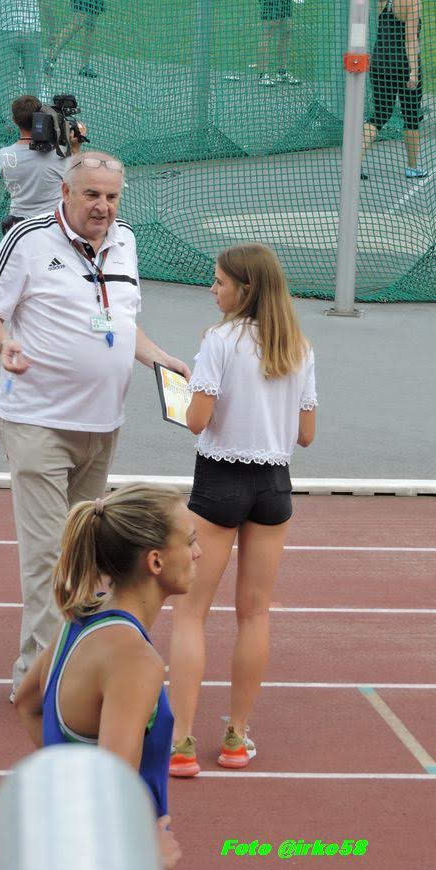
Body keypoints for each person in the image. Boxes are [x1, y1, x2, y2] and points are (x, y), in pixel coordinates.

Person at [0, 150, 191, 698]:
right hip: (37, 421)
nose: (103, 206)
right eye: (92, 194)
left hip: (102, 426)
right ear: (66, 193)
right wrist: (5, 344)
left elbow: (122, 320)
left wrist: (160, 359)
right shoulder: (26, 240)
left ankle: (71, 667)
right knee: (49, 556)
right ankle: (41, 685)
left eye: (112, 196)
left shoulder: (126, 241)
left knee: (85, 556)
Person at [167, 242, 317, 776]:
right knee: (254, 613)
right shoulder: (298, 345)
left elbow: (197, 419)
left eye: (220, 282)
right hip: (274, 484)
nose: (213, 289)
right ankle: (236, 737)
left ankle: (182, 743)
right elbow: (306, 434)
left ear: (245, 289)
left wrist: (186, 394)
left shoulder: (220, 340)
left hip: (220, 480)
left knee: (191, 612)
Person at [14, 483, 198, 870]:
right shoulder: (135, 660)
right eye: (190, 541)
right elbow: (113, 790)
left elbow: (28, 703)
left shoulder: (77, 624)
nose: (198, 552)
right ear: (156, 561)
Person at [361, 0, 426, 179]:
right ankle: (413, 167)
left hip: (379, 63)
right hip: (402, 65)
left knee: (379, 115)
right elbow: (410, 39)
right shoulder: (411, 2)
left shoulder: (381, 0)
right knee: (411, 116)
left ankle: (353, 162)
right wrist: (414, 71)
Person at [0, 94, 86, 235]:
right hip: (51, 228)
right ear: (41, 116)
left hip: (18, 229)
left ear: (14, 120)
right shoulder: (59, 155)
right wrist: (75, 147)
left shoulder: (3, 154)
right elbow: (80, 181)